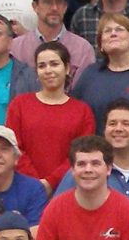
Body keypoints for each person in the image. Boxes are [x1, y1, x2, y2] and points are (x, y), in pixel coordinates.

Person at [8, 42, 95, 191]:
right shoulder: (19, 105)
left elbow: (82, 153)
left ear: (67, 68)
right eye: (42, 66)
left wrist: (51, 182)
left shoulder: (82, 111)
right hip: (23, 188)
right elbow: (13, 146)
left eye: (54, 64)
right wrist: (36, 184)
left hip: (68, 188)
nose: (48, 70)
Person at [73, 13, 129, 122]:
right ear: (101, 45)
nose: (113, 34)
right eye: (107, 31)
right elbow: (75, 113)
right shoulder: (89, 75)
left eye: (119, 29)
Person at [9, 0, 96, 82]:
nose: (54, 8)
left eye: (59, 2)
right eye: (48, 2)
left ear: (65, 7)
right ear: (35, 6)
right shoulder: (16, 48)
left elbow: (83, 89)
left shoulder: (82, 49)